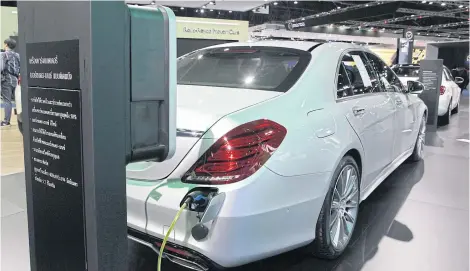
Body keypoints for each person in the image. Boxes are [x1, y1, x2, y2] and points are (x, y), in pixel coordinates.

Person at [1, 38, 20, 127]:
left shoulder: (3, 55)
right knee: (17, 101)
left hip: (6, 80)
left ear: (6, 45)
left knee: (7, 101)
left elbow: (1, 68)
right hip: (15, 80)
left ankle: (6, 121)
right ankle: (21, 120)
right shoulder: (17, 55)